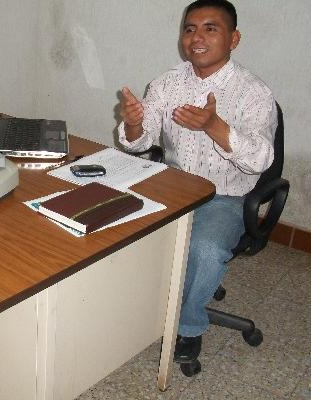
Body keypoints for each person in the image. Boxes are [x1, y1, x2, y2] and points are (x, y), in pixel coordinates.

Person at [118, 0, 277, 362]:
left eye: (210, 28)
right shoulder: (165, 84)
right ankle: (129, 312)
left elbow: (261, 161)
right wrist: (132, 122)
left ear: (234, 39)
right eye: (189, 28)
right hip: (172, 188)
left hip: (225, 197)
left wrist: (214, 127)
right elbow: (141, 143)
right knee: (110, 225)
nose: (197, 37)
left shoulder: (253, 93)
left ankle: (187, 326)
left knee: (204, 250)